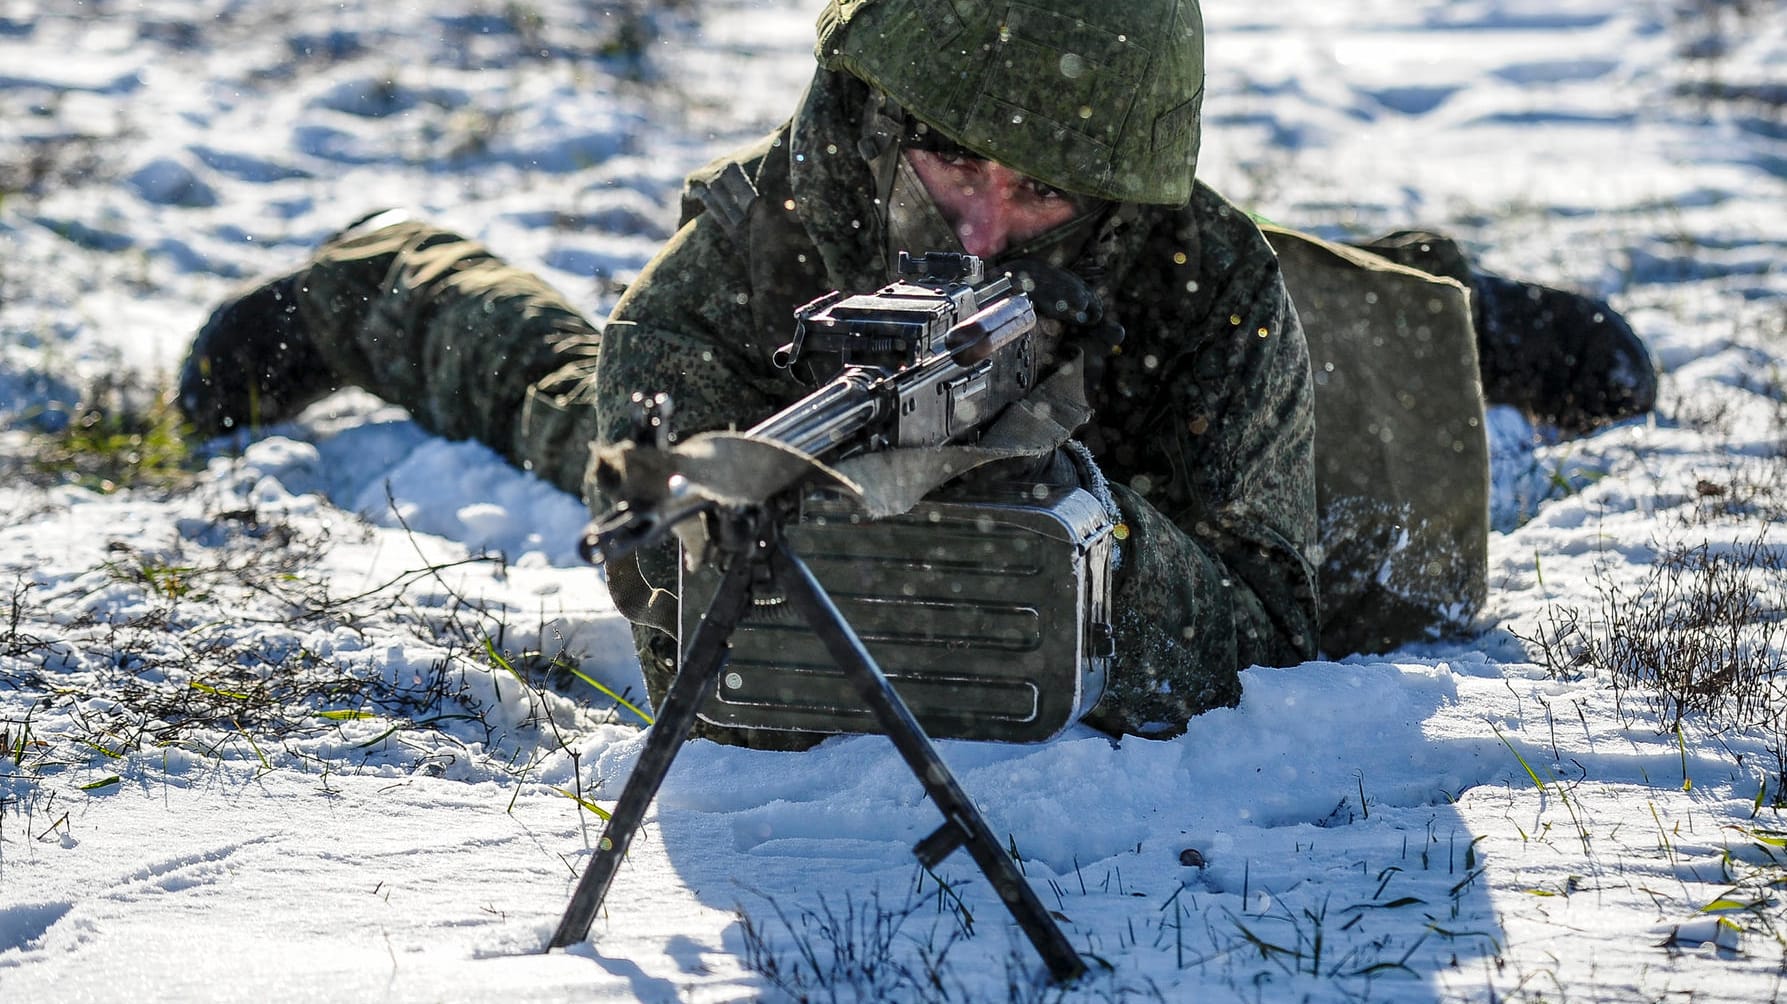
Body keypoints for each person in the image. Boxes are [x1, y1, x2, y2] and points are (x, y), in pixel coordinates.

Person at [178, 0, 1655, 742]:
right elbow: (661, 558)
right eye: (954, 160)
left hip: (1157, 412)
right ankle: (378, 279)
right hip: (792, 397)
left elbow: (1269, 611)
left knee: (1366, 380)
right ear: (879, 116)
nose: (987, 226)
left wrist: (1081, 534)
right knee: (576, 413)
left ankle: (1436, 285)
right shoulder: (760, 239)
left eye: (1045, 193)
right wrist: (793, 499)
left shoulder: (1199, 278)